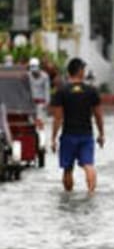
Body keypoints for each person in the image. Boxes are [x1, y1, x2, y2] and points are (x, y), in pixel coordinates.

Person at [50, 58, 104, 193]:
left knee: (68, 168)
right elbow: (98, 115)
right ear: (79, 71)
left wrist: (53, 138)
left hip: (68, 135)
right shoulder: (91, 91)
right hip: (86, 135)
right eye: (83, 69)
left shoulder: (61, 91)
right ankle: (91, 194)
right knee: (89, 165)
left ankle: (68, 195)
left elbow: (58, 118)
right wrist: (101, 134)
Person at [28, 57, 51, 126]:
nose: (34, 73)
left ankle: (41, 134)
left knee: (40, 122)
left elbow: (46, 90)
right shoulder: (28, 75)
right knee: (31, 123)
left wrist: (47, 103)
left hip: (41, 102)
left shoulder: (45, 76)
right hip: (30, 103)